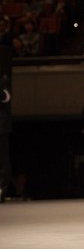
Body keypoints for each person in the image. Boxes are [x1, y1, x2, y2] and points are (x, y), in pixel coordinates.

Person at [0, 46, 11, 203]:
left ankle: (2, 188)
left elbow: (6, 98)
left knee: (3, 160)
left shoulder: (3, 81)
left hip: (1, 128)